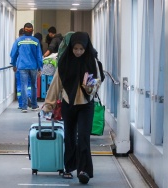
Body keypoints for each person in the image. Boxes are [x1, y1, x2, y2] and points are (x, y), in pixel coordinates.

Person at [42, 32, 102, 184]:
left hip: (86, 104)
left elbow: (98, 80)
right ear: (71, 47)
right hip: (68, 103)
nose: (78, 52)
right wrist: (49, 104)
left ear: (86, 48)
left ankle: (84, 171)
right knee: (69, 136)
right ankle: (69, 168)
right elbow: (56, 83)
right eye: (75, 48)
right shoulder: (65, 61)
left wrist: (90, 88)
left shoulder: (91, 60)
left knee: (83, 137)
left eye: (81, 49)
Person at [10, 23, 43, 113]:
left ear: (24, 30)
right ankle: (34, 105)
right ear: (32, 31)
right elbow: (39, 56)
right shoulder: (36, 41)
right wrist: (40, 68)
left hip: (22, 66)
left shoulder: (19, 40)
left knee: (23, 86)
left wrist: (13, 64)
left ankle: (24, 107)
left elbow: (13, 54)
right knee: (33, 86)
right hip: (33, 66)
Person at [15, 28, 32, 109]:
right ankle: (28, 96)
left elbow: (13, 54)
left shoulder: (17, 42)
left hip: (19, 66)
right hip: (29, 66)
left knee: (19, 85)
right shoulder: (31, 42)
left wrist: (13, 64)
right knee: (28, 84)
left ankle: (21, 104)